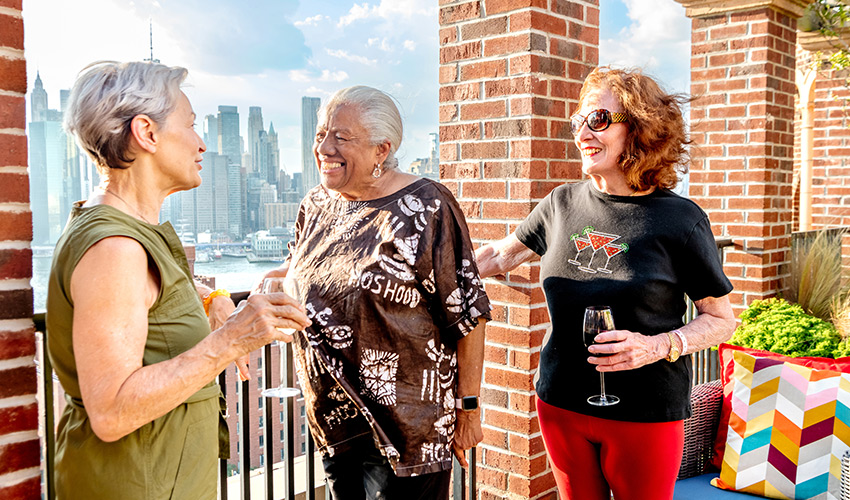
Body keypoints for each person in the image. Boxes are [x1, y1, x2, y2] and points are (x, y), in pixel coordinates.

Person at [46, 61, 311, 499]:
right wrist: (230, 341)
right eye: (190, 125)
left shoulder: (128, 232)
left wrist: (212, 298)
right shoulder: (115, 248)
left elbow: (150, 302)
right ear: (147, 133)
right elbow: (111, 411)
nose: (201, 143)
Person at [475, 66, 737, 500]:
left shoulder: (681, 220)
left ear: (639, 130)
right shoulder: (561, 203)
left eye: (598, 120)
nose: (583, 132)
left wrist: (655, 346)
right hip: (560, 403)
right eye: (579, 121)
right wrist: (428, 269)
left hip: (646, 409)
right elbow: (499, 256)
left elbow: (722, 320)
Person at [259, 85, 491, 500]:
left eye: (341, 138)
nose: (324, 148)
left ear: (382, 149)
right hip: (334, 422)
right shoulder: (315, 204)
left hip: (408, 430)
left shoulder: (427, 206)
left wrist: (468, 409)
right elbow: (300, 269)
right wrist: (269, 287)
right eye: (320, 135)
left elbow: (468, 313)